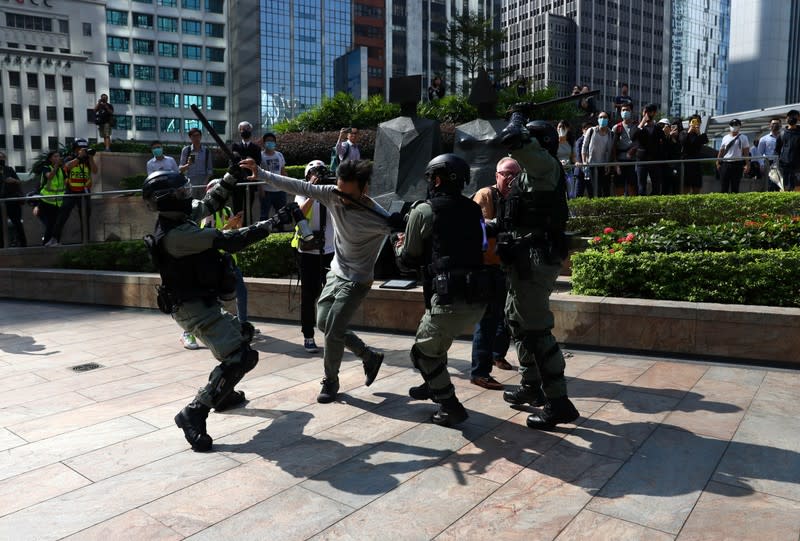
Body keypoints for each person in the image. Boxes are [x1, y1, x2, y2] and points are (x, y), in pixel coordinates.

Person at [142, 167, 292, 452]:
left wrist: (230, 176)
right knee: (241, 357)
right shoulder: (177, 235)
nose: (188, 196)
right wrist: (274, 222)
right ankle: (195, 412)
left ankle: (223, 394)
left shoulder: (179, 218)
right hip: (193, 308)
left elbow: (210, 202)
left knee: (243, 335)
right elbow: (230, 240)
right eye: (181, 193)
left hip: (200, 302)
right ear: (166, 200)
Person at [240, 157, 390, 404]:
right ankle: (369, 356)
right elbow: (298, 187)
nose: (341, 199)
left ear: (364, 190)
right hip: (336, 273)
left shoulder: (378, 217)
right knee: (323, 323)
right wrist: (262, 173)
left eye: (347, 195)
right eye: (339, 192)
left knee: (332, 331)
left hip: (357, 281)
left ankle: (331, 380)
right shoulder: (333, 194)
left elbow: (413, 232)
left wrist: (402, 232)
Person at [494, 108, 579, 430]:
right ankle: (532, 386)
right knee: (516, 321)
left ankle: (559, 403)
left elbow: (512, 139)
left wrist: (517, 121)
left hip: (535, 260)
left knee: (536, 330)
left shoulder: (544, 166)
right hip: (522, 259)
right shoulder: (533, 174)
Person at [394, 154, 488, 426]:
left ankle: (450, 404)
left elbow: (407, 259)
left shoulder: (424, 210)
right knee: (437, 343)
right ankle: (431, 386)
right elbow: (479, 245)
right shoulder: (473, 209)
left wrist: (396, 242)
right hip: (477, 297)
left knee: (422, 353)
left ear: (436, 178)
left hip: (447, 299)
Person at [469, 157, 520, 392]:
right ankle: (480, 372)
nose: (510, 179)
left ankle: (498, 355)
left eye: (515, 175)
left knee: (507, 317)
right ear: (496, 175)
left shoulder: (520, 197)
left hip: (510, 265)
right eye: (506, 174)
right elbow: (474, 225)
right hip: (487, 266)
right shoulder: (485, 195)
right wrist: (498, 225)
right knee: (488, 319)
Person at [293, 160, 335, 354]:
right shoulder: (303, 192)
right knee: (309, 296)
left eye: (321, 172)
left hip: (330, 251)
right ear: (307, 176)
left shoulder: (330, 191)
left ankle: (332, 333)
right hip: (308, 253)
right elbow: (300, 213)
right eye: (314, 172)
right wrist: (313, 191)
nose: (318, 175)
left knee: (332, 295)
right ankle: (308, 335)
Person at [51, 139, 97, 245]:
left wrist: (90, 158)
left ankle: (85, 240)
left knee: (85, 217)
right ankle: (54, 239)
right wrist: (79, 157)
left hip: (84, 193)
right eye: (79, 149)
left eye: (84, 149)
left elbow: (95, 171)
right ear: (75, 149)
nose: (82, 150)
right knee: (63, 215)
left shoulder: (87, 160)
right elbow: (67, 166)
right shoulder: (71, 158)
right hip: (71, 191)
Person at [632, 103, 666, 195]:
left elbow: (664, 142)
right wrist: (642, 123)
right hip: (641, 160)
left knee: (656, 186)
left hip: (654, 160)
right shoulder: (638, 126)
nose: (647, 114)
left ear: (654, 113)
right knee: (641, 186)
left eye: (650, 112)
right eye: (645, 112)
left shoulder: (658, 128)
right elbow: (633, 137)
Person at [231, 121, 262, 221]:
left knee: (249, 206)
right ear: (239, 131)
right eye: (242, 129)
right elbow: (233, 162)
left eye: (247, 129)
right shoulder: (235, 146)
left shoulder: (256, 148)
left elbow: (258, 162)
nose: (244, 131)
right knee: (237, 207)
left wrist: (246, 161)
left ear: (251, 130)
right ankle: (236, 228)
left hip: (251, 181)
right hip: (238, 181)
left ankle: (249, 227)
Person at [33, 150, 65, 246]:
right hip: (47, 201)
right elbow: (50, 176)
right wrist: (56, 166)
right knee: (51, 224)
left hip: (58, 202)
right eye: (55, 156)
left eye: (58, 156)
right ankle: (46, 244)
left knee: (58, 224)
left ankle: (56, 242)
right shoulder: (46, 168)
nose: (57, 158)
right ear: (50, 159)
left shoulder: (61, 170)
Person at [582, 112, 615, 197]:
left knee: (606, 190)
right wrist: (584, 162)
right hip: (593, 165)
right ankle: (597, 209)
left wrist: (608, 164)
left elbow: (611, 150)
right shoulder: (592, 131)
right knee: (596, 190)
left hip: (604, 166)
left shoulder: (611, 133)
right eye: (600, 117)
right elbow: (584, 147)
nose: (602, 119)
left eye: (605, 117)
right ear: (597, 119)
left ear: (608, 119)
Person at [0, 152, 27, 248]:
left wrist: (13, 180)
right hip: (1, 201)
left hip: (11, 200)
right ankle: (2, 246)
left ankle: (23, 244)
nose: (1, 160)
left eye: (2, 158)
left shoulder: (9, 169)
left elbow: (19, 181)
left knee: (17, 223)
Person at [716, 119, 751, 193]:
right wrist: (718, 161)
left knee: (735, 187)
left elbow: (746, 152)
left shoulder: (744, 137)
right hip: (726, 163)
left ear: (739, 127)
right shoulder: (725, 137)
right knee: (723, 187)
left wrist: (747, 164)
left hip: (737, 164)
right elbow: (721, 151)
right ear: (730, 126)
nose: (734, 127)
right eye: (733, 125)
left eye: (736, 125)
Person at [611, 104, 639, 196]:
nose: (625, 112)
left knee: (633, 187)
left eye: (627, 110)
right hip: (620, 161)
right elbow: (613, 147)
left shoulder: (636, 126)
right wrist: (616, 164)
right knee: (619, 187)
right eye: (623, 110)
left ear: (631, 112)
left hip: (633, 162)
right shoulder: (616, 127)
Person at [259, 132, 287, 221]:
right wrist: (261, 189)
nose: (270, 143)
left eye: (272, 141)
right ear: (263, 143)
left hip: (280, 190)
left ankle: (281, 232)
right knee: (264, 215)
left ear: (275, 142)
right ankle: (262, 232)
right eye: (268, 141)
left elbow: (283, 171)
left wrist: (288, 186)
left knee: (282, 214)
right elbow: (258, 174)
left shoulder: (279, 155)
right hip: (267, 191)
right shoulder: (260, 156)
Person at [679, 114, 709, 194]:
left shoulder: (700, 134)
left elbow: (705, 141)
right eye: (693, 121)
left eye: (698, 122)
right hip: (686, 163)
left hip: (696, 163)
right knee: (686, 186)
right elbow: (683, 142)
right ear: (689, 123)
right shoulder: (683, 133)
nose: (696, 123)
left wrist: (698, 132)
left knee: (696, 186)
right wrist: (689, 131)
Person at [775, 110, 800, 191]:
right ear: (786, 119)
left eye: (794, 116)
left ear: (798, 119)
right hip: (784, 166)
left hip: (798, 167)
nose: (792, 118)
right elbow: (777, 150)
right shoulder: (782, 134)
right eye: (790, 116)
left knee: (797, 189)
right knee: (784, 189)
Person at [755, 118, 781, 191]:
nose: (775, 125)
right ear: (770, 126)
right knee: (771, 184)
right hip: (769, 163)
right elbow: (759, 153)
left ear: (780, 125)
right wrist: (761, 164)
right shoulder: (764, 139)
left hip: (782, 162)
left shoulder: (783, 137)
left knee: (781, 184)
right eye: (773, 124)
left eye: (777, 124)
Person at [662, 118, 682, 195]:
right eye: (672, 127)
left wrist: (674, 138)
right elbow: (663, 148)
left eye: (675, 128)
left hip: (676, 166)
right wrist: (668, 136)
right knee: (665, 189)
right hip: (666, 166)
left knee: (676, 188)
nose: (673, 129)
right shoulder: (665, 138)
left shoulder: (680, 138)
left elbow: (679, 150)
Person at [573, 122, 594, 198]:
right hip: (581, 171)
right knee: (578, 193)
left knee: (592, 193)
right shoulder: (580, 140)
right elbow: (578, 154)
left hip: (590, 170)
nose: (588, 131)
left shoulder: (593, 140)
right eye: (586, 129)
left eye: (591, 129)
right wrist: (583, 165)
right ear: (583, 130)